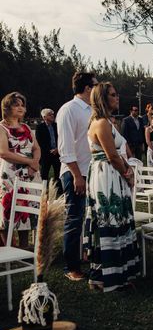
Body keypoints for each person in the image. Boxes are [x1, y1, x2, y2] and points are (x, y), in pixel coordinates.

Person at [85, 82, 139, 291]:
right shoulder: (101, 123)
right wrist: (128, 174)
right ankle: (107, 276)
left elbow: (118, 154)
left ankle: (117, 272)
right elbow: (112, 156)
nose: (118, 98)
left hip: (112, 172)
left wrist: (127, 170)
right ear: (102, 98)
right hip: (106, 175)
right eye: (113, 95)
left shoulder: (108, 121)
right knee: (110, 219)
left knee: (119, 218)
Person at [57, 71, 97, 281]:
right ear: (87, 88)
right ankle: (71, 267)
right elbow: (65, 148)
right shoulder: (68, 110)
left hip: (91, 171)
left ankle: (86, 256)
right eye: (95, 85)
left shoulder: (92, 110)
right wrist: (77, 176)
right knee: (74, 218)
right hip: (75, 173)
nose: (97, 89)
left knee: (88, 218)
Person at [0, 92, 41, 249]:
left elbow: (36, 148)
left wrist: (34, 164)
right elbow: (4, 152)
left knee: (27, 211)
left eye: (22, 105)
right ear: (7, 107)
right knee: (8, 210)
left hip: (29, 175)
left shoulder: (26, 127)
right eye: (16, 104)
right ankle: (8, 248)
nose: (20, 107)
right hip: (10, 174)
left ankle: (24, 248)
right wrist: (30, 161)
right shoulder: (1, 127)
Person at [35, 108, 61, 185]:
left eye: (53, 114)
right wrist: (49, 150)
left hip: (57, 153)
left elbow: (60, 138)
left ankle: (57, 190)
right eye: (50, 114)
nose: (52, 116)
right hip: (45, 155)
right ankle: (44, 190)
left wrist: (57, 149)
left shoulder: (56, 126)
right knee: (44, 174)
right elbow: (39, 142)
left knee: (58, 173)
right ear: (44, 117)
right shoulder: (40, 127)